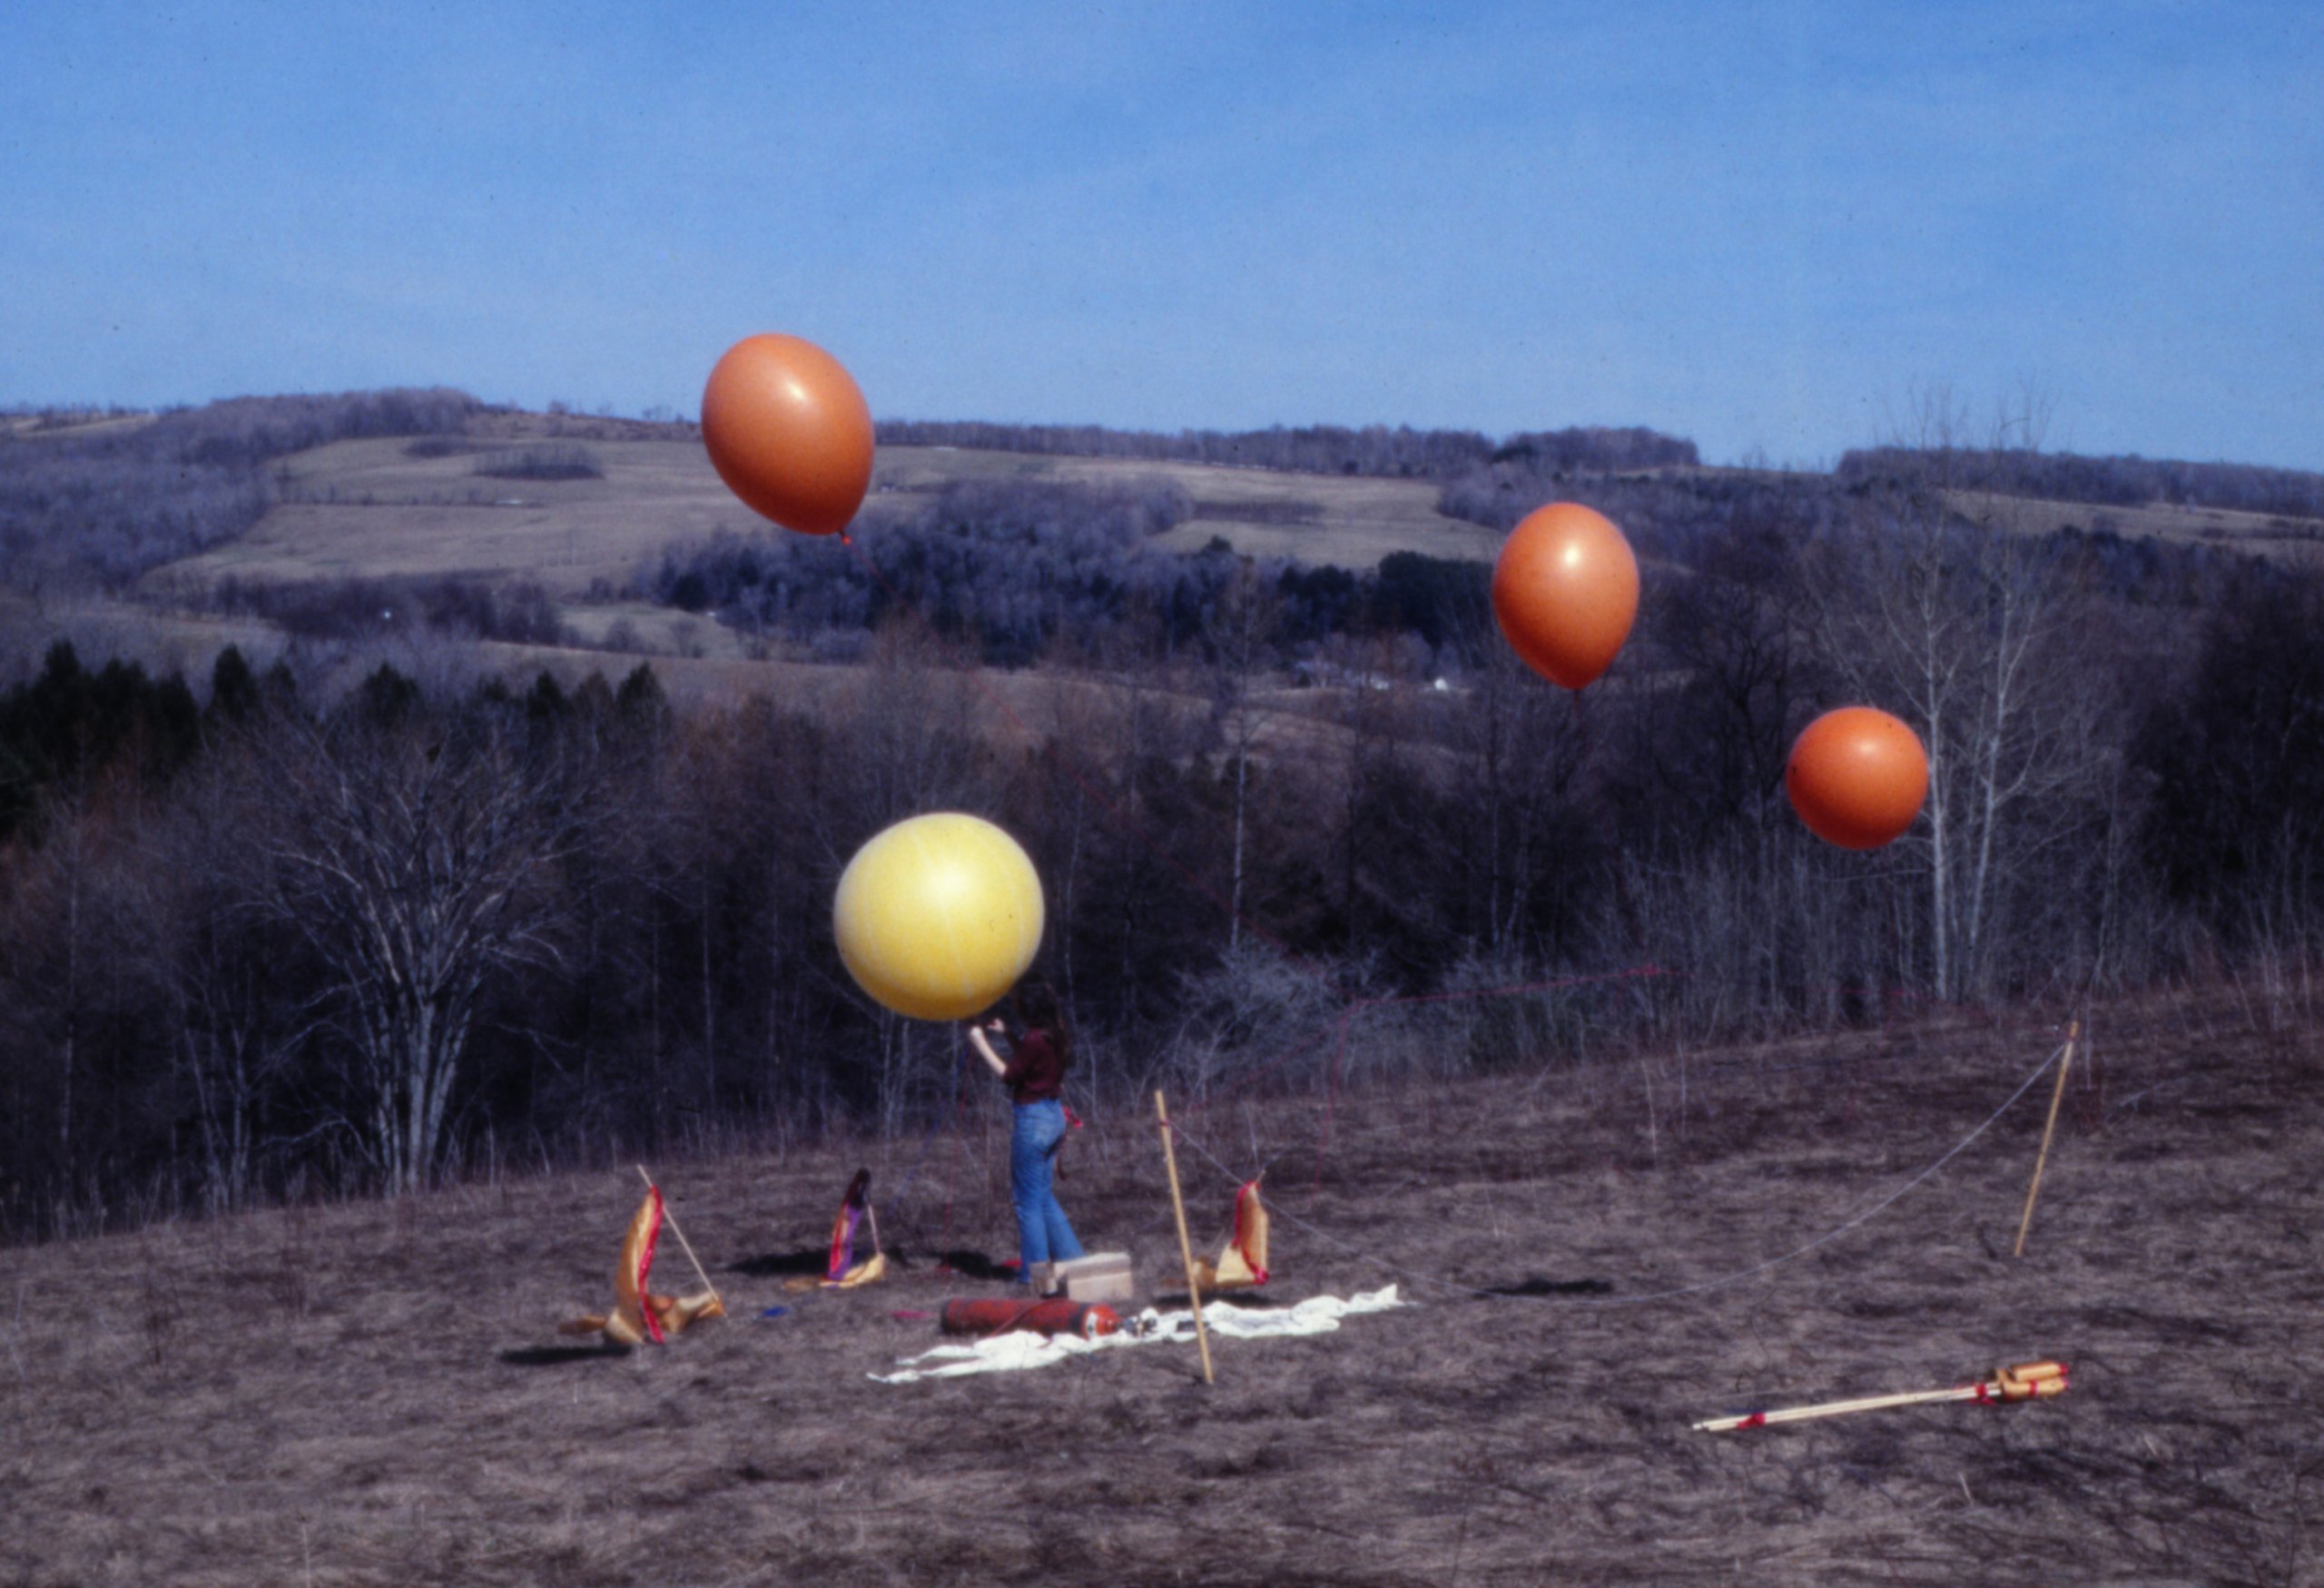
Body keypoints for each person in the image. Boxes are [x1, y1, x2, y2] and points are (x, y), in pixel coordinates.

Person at [964, 981, 1085, 1284]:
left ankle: (1034, 1278)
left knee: (1026, 1202)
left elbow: (1009, 1075)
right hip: (1053, 1117)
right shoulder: (1052, 1034)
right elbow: (1031, 1063)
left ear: (1028, 1008)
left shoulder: (1034, 1039)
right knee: (1042, 1196)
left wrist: (980, 1042)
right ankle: (1074, 1263)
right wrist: (1006, 1034)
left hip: (1033, 1122)